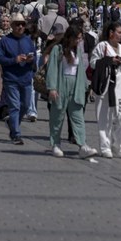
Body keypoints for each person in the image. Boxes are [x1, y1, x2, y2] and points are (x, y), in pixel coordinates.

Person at [45, 23, 98, 158]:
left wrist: (85, 85)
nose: (79, 41)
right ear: (70, 37)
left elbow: (81, 69)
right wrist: (52, 87)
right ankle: (55, 144)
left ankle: (82, 145)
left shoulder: (78, 50)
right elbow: (52, 68)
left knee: (78, 116)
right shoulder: (58, 49)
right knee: (57, 116)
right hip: (61, 84)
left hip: (76, 85)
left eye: (81, 38)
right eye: (77, 38)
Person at [92, 21, 121, 159]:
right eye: (119, 32)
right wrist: (109, 60)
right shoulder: (102, 46)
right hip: (106, 84)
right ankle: (105, 146)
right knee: (105, 116)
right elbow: (93, 63)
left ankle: (117, 143)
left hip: (120, 84)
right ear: (111, 33)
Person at [0, 12, 35, 146]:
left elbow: (34, 56)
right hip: (11, 78)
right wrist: (14, 60)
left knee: (25, 105)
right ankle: (16, 134)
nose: (20, 27)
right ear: (12, 25)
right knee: (15, 107)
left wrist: (31, 60)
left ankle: (12, 125)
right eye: (17, 24)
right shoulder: (4, 41)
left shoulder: (28, 40)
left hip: (26, 77)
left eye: (22, 24)